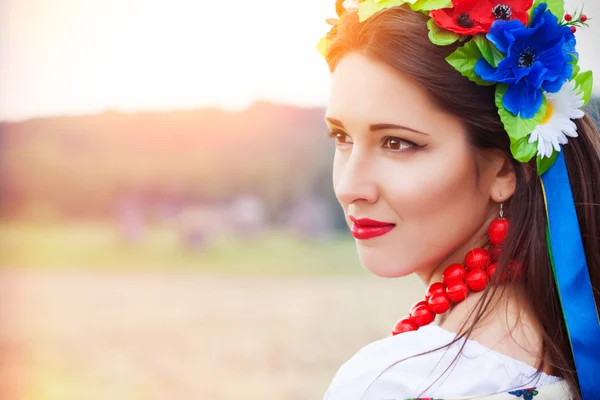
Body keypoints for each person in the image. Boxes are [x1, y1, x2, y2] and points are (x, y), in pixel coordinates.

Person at [317, 0, 600, 399]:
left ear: (503, 171)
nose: (349, 186)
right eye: (341, 138)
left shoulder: (390, 382)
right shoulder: (575, 359)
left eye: (397, 143)